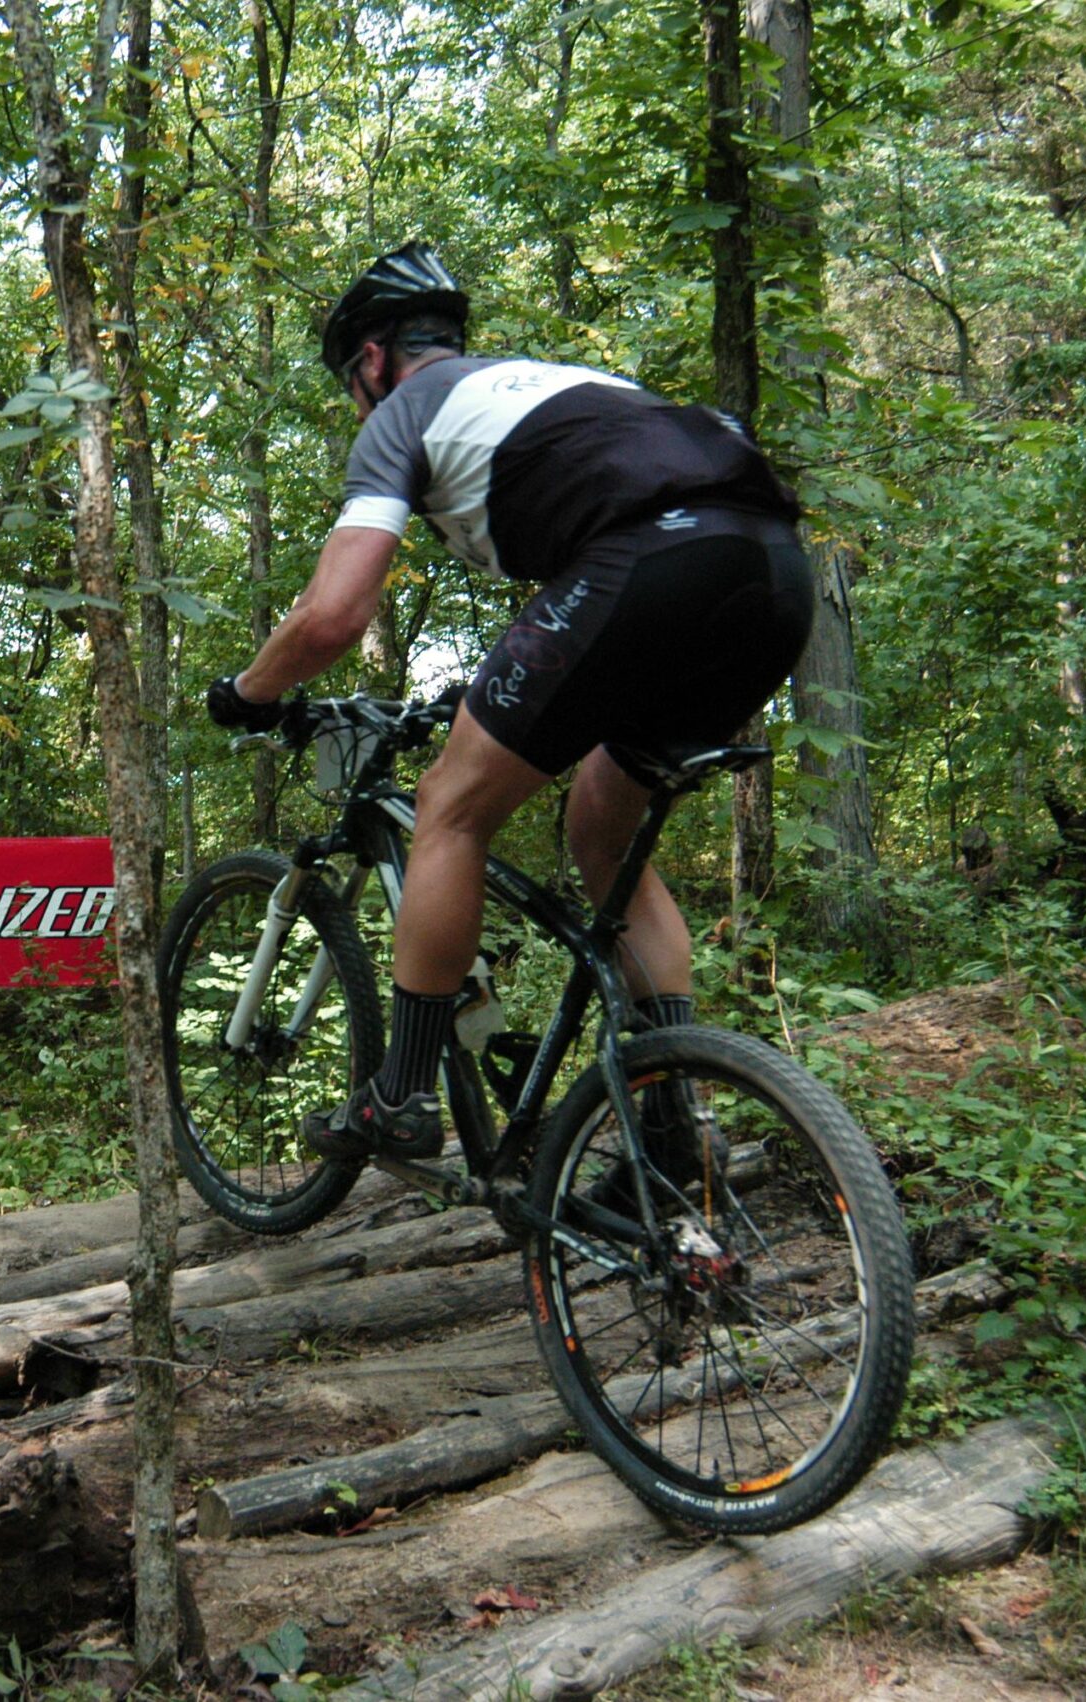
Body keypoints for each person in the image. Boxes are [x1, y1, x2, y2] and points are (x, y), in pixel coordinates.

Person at [205, 240, 815, 1169]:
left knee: (451, 808)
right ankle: (671, 1125)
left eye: (348, 380)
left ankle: (400, 1099)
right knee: (602, 820)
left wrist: (249, 693)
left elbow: (333, 615)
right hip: (771, 579)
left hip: (650, 561)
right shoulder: (564, 386)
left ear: (371, 360)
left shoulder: (403, 413)